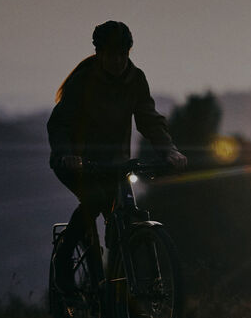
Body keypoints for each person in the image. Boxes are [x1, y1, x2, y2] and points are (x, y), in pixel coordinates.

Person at [47, 20, 186, 294]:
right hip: (75, 161)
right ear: (98, 53)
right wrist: (67, 154)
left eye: (124, 54)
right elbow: (60, 123)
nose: (119, 60)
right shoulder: (83, 80)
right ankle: (65, 255)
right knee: (95, 200)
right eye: (112, 54)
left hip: (114, 165)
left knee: (126, 220)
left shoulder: (136, 79)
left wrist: (168, 149)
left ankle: (126, 304)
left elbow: (149, 119)